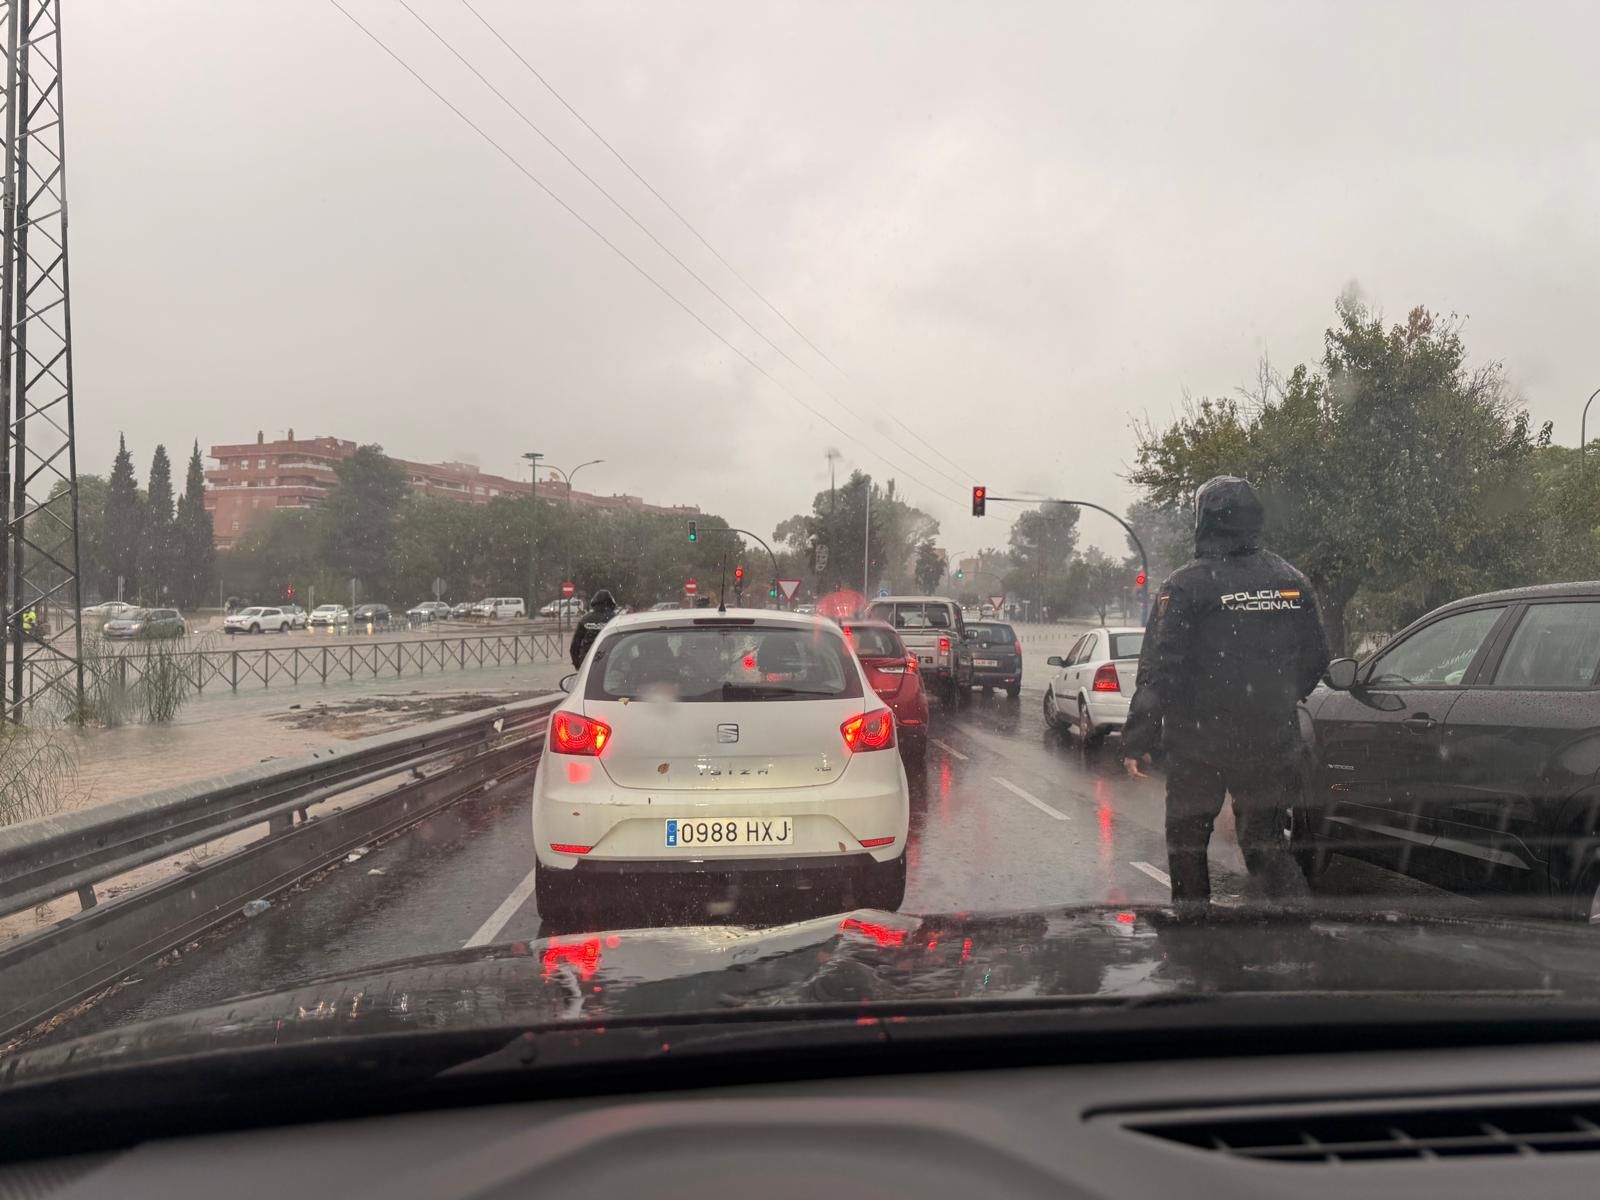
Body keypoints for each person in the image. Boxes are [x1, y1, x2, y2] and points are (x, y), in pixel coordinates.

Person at [1120, 476, 1329, 914]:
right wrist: (1274, 700)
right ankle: (1301, 930)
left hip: (1199, 745)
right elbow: (1316, 660)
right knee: (1266, 844)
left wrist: (1139, 738)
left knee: (1187, 840)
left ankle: (1195, 933)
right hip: (1271, 740)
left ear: (1204, 521)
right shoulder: (1292, 582)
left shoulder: (1186, 585)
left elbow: (1160, 669)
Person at [569, 589, 619, 669]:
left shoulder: (585, 620)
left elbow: (574, 647)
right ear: (612, 604)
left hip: (588, 662)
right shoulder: (617, 620)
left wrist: (579, 665)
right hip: (612, 663)